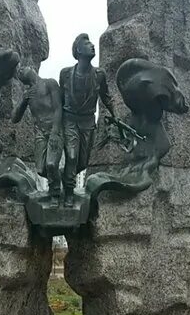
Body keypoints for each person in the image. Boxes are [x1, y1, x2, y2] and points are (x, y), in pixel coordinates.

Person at [58, 33, 115, 205]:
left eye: (92, 43)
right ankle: (69, 193)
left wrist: (115, 114)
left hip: (88, 122)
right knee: (72, 156)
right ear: (78, 50)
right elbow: (60, 100)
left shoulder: (99, 74)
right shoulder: (65, 73)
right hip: (69, 120)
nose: (92, 46)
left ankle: (64, 176)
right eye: (87, 44)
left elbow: (106, 97)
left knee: (82, 163)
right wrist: (56, 124)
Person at [12, 65, 64, 200]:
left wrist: (55, 132)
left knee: (51, 164)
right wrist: (23, 100)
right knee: (41, 170)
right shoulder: (27, 94)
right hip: (40, 132)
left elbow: (58, 108)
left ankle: (55, 194)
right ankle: (62, 177)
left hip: (55, 129)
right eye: (19, 73)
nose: (20, 71)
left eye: (23, 68)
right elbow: (14, 118)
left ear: (32, 69)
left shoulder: (49, 83)